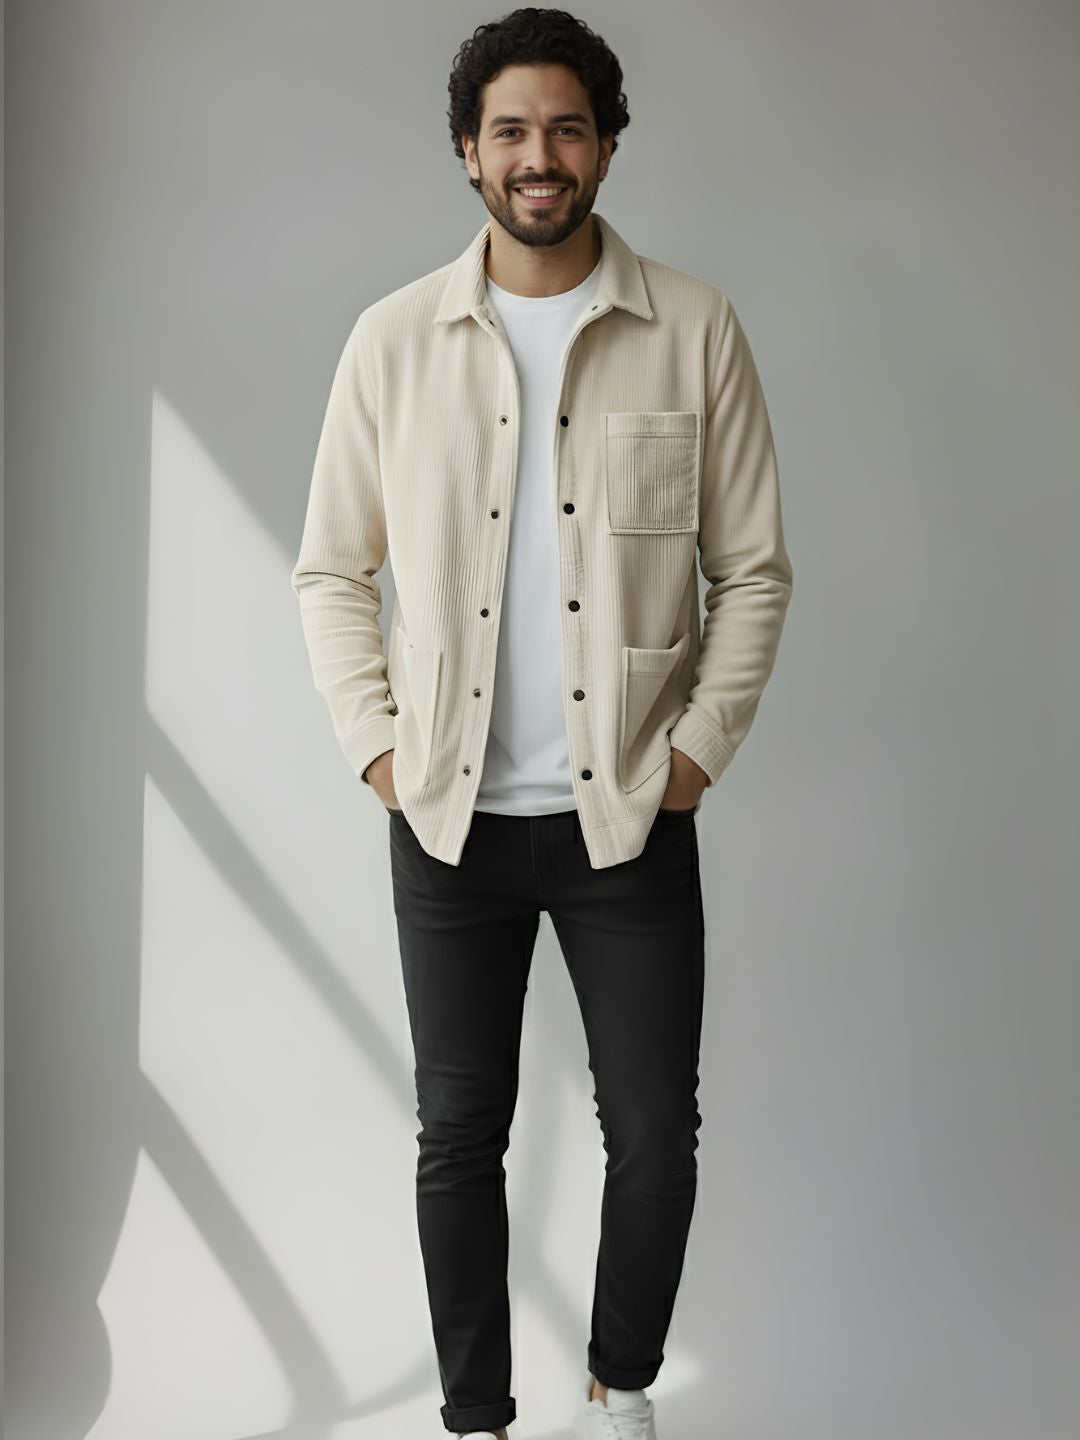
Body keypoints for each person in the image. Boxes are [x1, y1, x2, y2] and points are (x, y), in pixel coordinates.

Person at [290, 10, 793, 1437]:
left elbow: (753, 569)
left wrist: (693, 755)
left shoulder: (693, 327)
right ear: (468, 150)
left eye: (567, 128)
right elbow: (331, 568)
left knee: (655, 1140)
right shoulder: (393, 342)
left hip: (626, 814)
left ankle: (619, 1390)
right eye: (509, 130)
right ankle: (477, 1421)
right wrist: (378, 747)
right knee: (459, 1139)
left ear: (607, 147)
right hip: (448, 820)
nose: (538, 156)